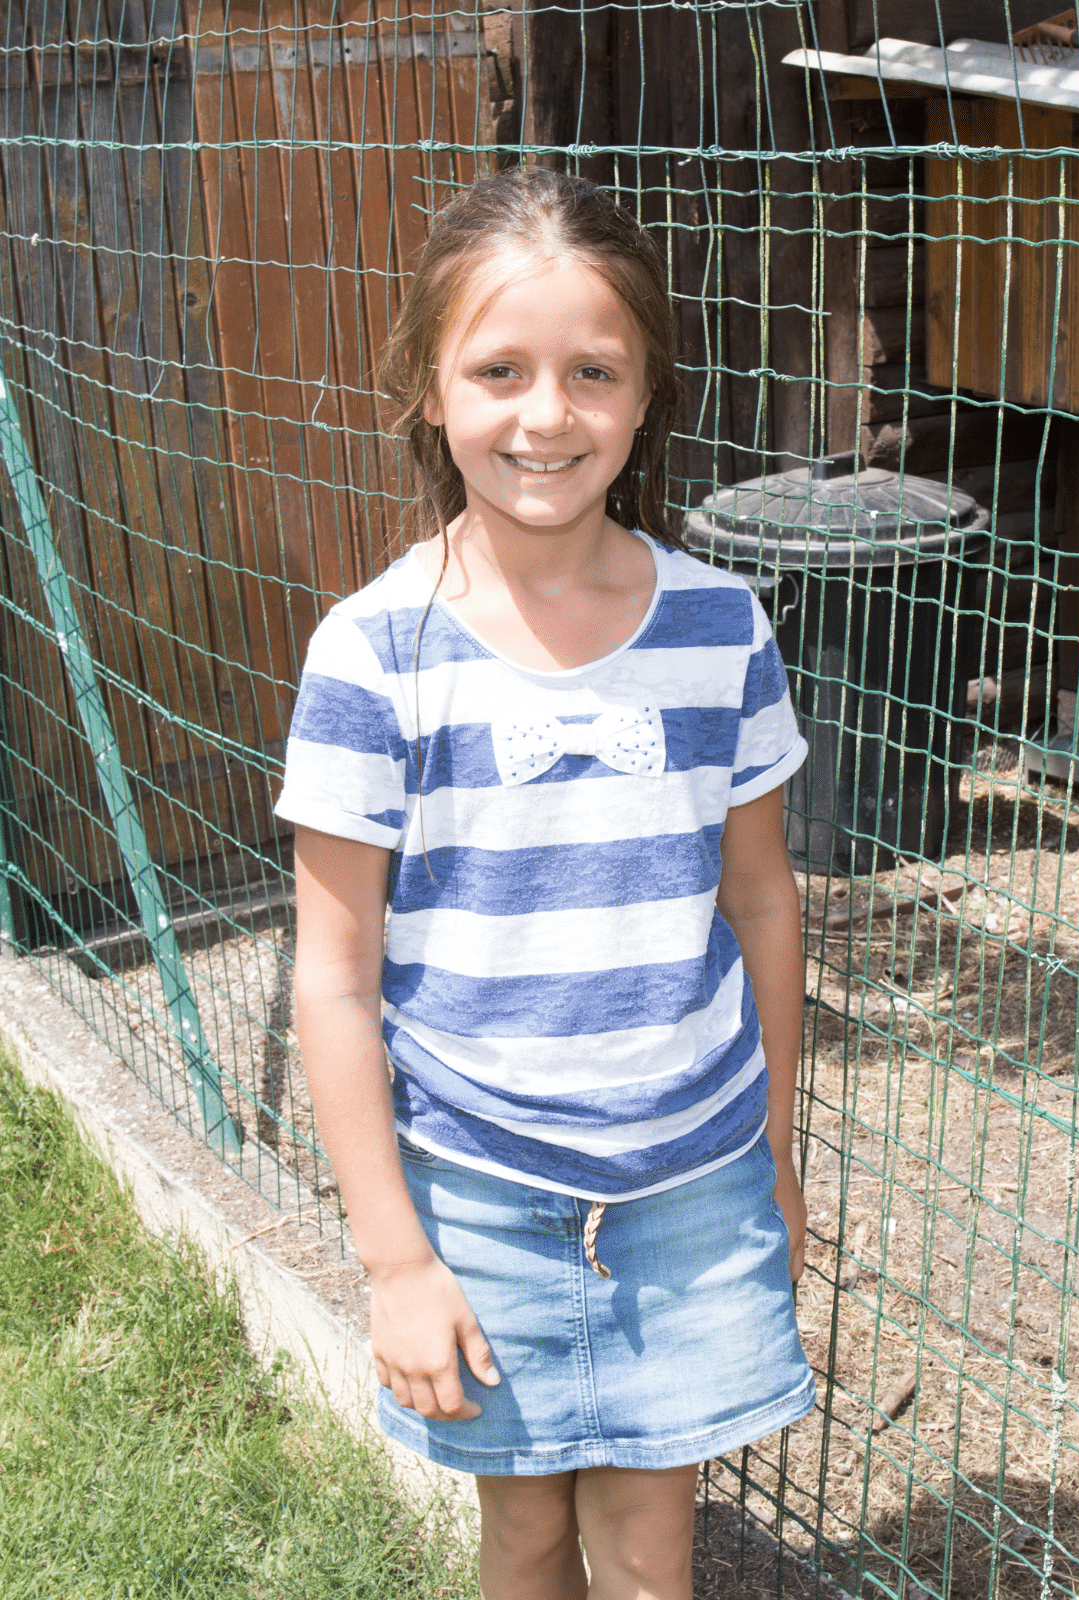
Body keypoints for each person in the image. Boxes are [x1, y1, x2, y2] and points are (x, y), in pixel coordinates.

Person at [279, 166, 814, 1600]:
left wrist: (771, 1142)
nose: (546, 415)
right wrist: (398, 1260)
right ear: (430, 386)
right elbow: (332, 972)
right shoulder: (374, 653)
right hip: (481, 1194)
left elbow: (760, 898)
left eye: (594, 372)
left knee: (651, 1545)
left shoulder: (719, 627)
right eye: (500, 370)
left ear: (645, 400)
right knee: (523, 1535)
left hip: (694, 1183)